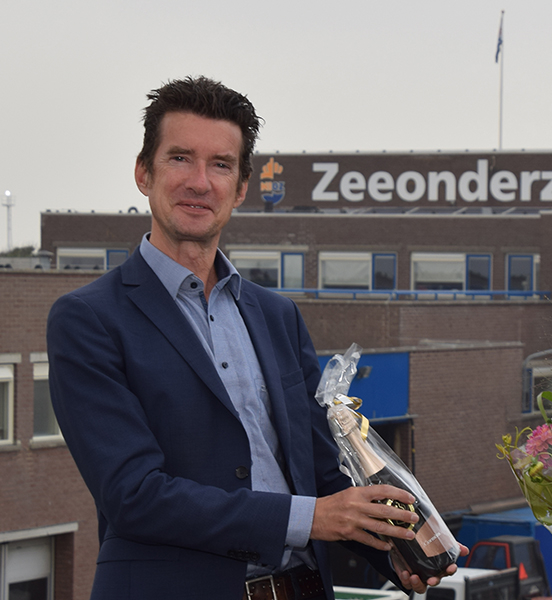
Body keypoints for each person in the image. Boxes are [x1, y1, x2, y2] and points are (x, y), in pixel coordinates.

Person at [47, 76, 459, 599]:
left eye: (220, 164)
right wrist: (313, 518)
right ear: (143, 172)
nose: (200, 181)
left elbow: (322, 473)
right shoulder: (88, 319)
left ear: (241, 187)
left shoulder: (276, 315)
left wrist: (398, 551)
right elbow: (135, 496)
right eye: (179, 158)